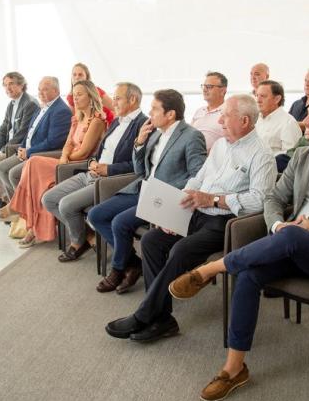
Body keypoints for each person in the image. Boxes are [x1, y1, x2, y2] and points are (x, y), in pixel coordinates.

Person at [168, 91, 309, 401]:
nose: (304, 120)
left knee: (295, 235)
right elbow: (273, 199)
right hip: (287, 243)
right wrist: (276, 224)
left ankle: (212, 268)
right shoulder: (302, 156)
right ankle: (234, 369)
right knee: (250, 274)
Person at [104, 95, 276, 343]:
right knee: (152, 240)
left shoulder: (262, 156)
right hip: (197, 213)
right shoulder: (220, 146)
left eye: (225, 115)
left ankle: (145, 315)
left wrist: (215, 200)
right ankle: (163, 318)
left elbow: (260, 200)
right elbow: (197, 181)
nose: (220, 120)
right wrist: (175, 211)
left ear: (245, 120)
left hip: (227, 223)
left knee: (180, 250)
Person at [88, 90, 207, 293]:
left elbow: (199, 176)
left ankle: (118, 269)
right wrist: (139, 143)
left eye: (154, 109)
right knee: (96, 215)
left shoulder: (191, 136)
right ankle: (133, 263)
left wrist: (170, 194)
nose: (149, 113)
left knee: (119, 223)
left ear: (170, 114)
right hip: (142, 188)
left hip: (163, 197)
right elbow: (140, 170)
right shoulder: (154, 133)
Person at [41, 82, 147, 262]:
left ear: (132, 99)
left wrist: (108, 169)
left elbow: (140, 166)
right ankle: (88, 236)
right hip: (91, 173)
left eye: (117, 98)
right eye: (113, 98)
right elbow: (100, 152)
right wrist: (93, 163)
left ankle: (77, 242)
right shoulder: (116, 121)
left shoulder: (143, 124)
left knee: (66, 204)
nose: (113, 102)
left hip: (110, 180)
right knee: (48, 199)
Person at [0, 80, 106, 247]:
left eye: (80, 95)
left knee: (34, 162)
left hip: (78, 165)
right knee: (35, 170)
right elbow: (68, 144)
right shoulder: (77, 118)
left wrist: (65, 160)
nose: (75, 98)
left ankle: (17, 208)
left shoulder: (96, 121)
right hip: (65, 162)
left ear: (91, 96)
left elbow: (84, 152)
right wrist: (64, 157)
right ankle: (27, 220)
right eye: (74, 95)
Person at [0, 76, 71, 202]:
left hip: (39, 154)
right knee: (1, 168)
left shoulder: (61, 111)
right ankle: (14, 205)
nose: (40, 93)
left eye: (45, 89)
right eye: (39, 89)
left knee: (13, 174)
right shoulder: (43, 107)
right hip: (27, 151)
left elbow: (53, 142)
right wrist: (22, 147)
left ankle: (21, 208)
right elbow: (30, 132)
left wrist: (28, 152)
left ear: (56, 91)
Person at [0, 72, 39, 208]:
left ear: (21, 85)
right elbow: (4, 128)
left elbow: (22, 133)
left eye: (11, 84)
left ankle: (11, 203)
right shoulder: (11, 104)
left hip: (18, 147)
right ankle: (3, 197)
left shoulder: (29, 104)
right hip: (6, 146)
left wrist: (2, 151)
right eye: (5, 85)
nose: (7, 88)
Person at [254, 79, 301, 154]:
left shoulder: (288, 123)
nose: (258, 100)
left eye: (263, 96)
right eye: (257, 95)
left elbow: (290, 156)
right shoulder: (255, 119)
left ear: (277, 99)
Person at [191, 72, 227, 152]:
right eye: (203, 86)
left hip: (211, 158)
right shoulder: (199, 111)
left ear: (222, 91)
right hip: (190, 155)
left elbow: (231, 140)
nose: (204, 89)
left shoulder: (228, 111)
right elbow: (188, 135)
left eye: (209, 87)